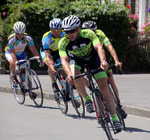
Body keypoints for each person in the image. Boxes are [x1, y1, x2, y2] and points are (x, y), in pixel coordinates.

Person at [58, 15, 123, 131]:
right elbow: (64, 60)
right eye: (66, 31)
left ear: (78, 29)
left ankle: (115, 118)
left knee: (104, 87)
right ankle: (87, 99)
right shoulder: (63, 42)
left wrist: (103, 61)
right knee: (74, 76)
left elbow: (99, 47)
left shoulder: (88, 34)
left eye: (72, 31)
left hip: (93, 59)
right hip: (77, 61)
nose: (69, 34)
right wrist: (68, 74)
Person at [81, 21, 127, 119]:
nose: (91, 34)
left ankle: (118, 106)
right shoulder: (82, 38)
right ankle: (91, 89)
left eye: (93, 31)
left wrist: (117, 61)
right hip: (88, 61)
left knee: (111, 80)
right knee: (85, 74)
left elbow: (110, 47)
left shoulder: (100, 34)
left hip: (101, 60)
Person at [5, 21, 43, 87]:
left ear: (24, 32)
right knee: (12, 63)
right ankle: (13, 77)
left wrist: (39, 59)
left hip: (21, 53)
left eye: (21, 33)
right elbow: (13, 54)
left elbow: (33, 50)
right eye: (18, 33)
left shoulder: (28, 38)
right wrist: (16, 65)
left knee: (24, 69)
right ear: (15, 32)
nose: (19, 35)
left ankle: (29, 90)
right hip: (10, 53)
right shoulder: (11, 40)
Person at [40, 18, 66, 94]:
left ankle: (65, 84)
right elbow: (47, 57)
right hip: (47, 52)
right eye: (54, 30)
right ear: (50, 29)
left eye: (59, 30)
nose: (57, 32)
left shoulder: (64, 35)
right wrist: (52, 68)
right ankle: (54, 83)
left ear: (62, 29)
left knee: (63, 68)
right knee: (52, 66)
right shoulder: (47, 38)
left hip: (57, 51)